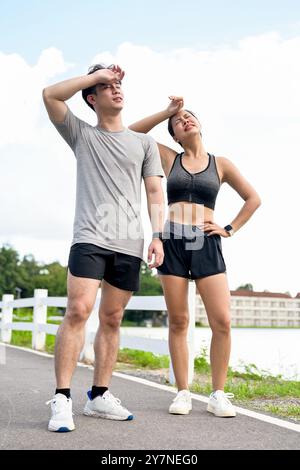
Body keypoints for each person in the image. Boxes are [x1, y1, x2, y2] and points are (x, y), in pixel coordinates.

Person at [42, 64, 165, 431]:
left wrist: (158, 235)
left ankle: (98, 396)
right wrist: (95, 75)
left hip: (129, 242)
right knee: (78, 309)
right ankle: (62, 398)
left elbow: (155, 189)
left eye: (118, 85)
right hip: (90, 237)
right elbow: (50, 95)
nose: (116, 89)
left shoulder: (143, 143)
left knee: (111, 318)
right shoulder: (81, 134)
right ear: (92, 97)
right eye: (106, 86)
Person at [129, 97, 261, 417]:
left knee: (223, 322)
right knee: (179, 321)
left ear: (199, 125)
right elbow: (132, 134)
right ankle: (183, 392)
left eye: (189, 117)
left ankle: (217, 394)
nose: (185, 120)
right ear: (174, 134)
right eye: (179, 121)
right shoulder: (168, 158)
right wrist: (167, 112)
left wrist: (228, 228)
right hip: (173, 240)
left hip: (206, 242)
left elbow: (253, 199)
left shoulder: (221, 164)